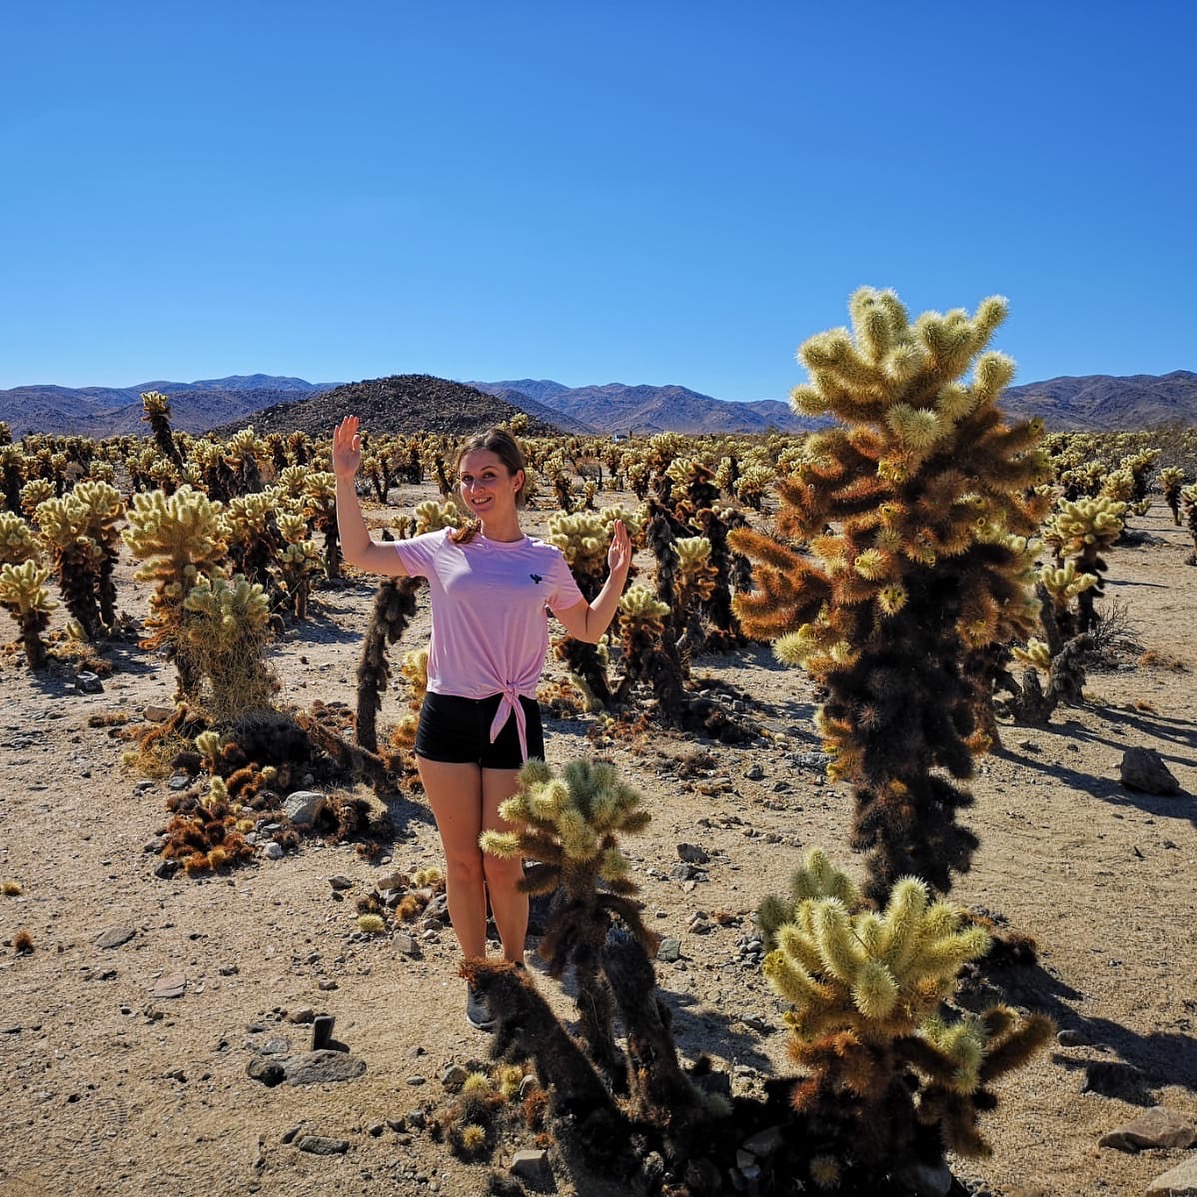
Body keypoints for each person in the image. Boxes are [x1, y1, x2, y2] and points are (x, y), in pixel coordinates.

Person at [332, 416, 632, 1030]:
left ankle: (515, 967)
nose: (476, 487)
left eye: (488, 476)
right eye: (467, 478)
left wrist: (617, 578)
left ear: (517, 481)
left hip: (515, 719)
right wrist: (346, 481)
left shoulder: (544, 560)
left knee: (504, 861)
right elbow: (359, 554)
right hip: (447, 717)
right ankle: (478, 973)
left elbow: (585, 628)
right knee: (461, 860)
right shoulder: (444, 546)